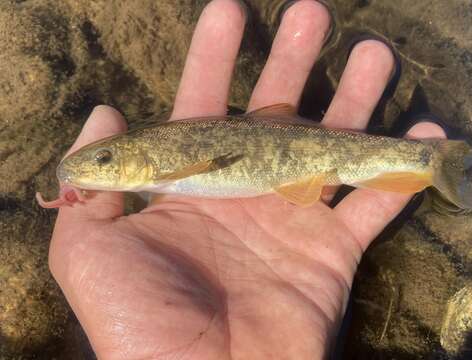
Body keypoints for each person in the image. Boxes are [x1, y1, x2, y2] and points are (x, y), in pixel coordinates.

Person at [47, 0, 445, 358]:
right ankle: (427, 161)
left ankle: (428, 161)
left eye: (104, 159)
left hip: (291, 151)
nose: (93, 167)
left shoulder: (159, 166)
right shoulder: (155, 162)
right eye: (102, 159)